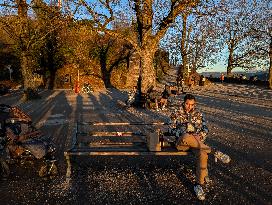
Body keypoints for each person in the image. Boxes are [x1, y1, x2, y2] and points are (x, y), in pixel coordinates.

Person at [168, 94, 230, 200]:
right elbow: (170, 129)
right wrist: (183, 133)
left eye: (192, 104)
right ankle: (214, 152)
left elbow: (205, 129)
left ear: (194, 104)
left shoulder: (199, 114)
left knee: (202, 154)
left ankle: (198, 185)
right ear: (184, 102)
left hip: (197, 144)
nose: (189, 106)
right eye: (187, 104)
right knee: (187, 136)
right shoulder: (176, 112)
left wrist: (200, 135)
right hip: (181, 143)